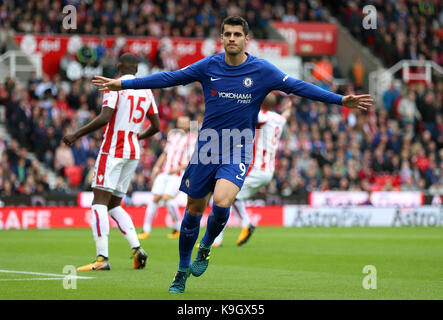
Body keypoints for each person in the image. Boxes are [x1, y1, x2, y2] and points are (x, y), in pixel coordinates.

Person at [92, 16, 373, 292]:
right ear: (222, 38)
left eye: (237, 35)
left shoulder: (263, 70)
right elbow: (171, 77)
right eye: (227, 34)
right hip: (208, 145)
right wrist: (123, 84)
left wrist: (339, 99)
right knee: (193, 211)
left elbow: (298, 87)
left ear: (246, 39)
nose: (232, 39)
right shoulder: (209, 65)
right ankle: (181, 270)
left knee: (224, 201)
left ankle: (205, 246)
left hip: (238, 145)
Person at [64, 53, 161, 271]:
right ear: (136, 70)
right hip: (132, 152)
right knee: (114, 204)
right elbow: (156, 126)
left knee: (98, 201)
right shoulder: (147, 91)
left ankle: (102, 258)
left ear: (118, 66)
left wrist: (76, 134)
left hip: (112, 151)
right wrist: (137, 137)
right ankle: (137, 249)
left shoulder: (114, 86)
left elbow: (105, 117)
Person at [213, 93, 292, 247]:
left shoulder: (262, 117)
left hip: (255, 168)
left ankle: (219, 238)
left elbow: (245, 114)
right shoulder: (279, 118)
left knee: (224, 197)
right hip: (267, 170)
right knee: (231, 198)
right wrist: (288, 108)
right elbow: (286, 115)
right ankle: (244, 225)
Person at [138, 115, 197, 240]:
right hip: (165, 172)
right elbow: (165, 154)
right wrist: (156, 167)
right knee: (155, 198)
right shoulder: (173, 137)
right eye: (180, 121)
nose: (182, 124)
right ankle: (146, 229)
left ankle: (179, 227)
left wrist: (178, 169)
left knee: (167, 198)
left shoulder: (192, 139)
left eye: (184, 122)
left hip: (177, 174)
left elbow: (191, 160)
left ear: (188, 124)